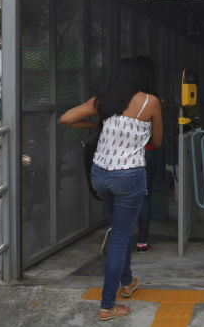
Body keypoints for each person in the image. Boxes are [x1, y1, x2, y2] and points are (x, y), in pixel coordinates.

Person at [60, 58, 162, 321]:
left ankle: (127, 282)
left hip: (100, 175)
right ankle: (107, 306)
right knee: (120, 236)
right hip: (129, 176)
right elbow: (157, 142)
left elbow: (67, 118)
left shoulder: (103, 101)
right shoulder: (150, 102)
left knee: (120, 227)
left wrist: (96, 125)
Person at [136, 55, 160, 253]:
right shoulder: (152, 99)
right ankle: (142, 241)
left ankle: (120, 238)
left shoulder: (119, 97)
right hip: (147, 152)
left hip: (120, 154)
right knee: (145, 196)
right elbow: (157, 139)